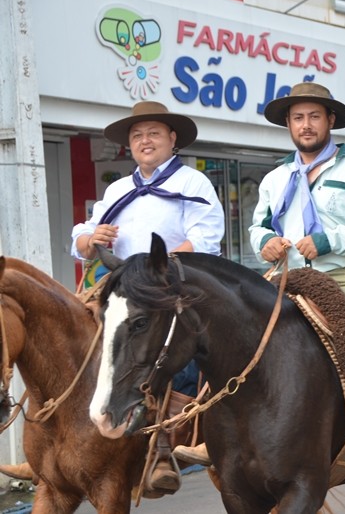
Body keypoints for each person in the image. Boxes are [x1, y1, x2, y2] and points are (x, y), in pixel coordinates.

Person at [176, 82, 345, 479]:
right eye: (298, 118)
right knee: (226, 327)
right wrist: (265, 243)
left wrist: (329, 240)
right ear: (289, 125)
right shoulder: (276, 177)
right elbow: (258, 225)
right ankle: (211, 433)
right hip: (287, 275)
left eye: (315, 116)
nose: (306, 124)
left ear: (330, 120)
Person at [72, 101, 225, 493]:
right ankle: (66, 431)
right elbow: (82, 238)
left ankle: (169, 441)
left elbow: (205, 239)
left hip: (172, 288)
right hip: (122, 290)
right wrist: (93, 239)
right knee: (73, 338)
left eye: (153, 133)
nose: (145, 141)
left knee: (172, 355)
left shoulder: (193, 183)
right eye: (137, 135)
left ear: (172, 140)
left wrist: (160, 271)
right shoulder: (119, 190)